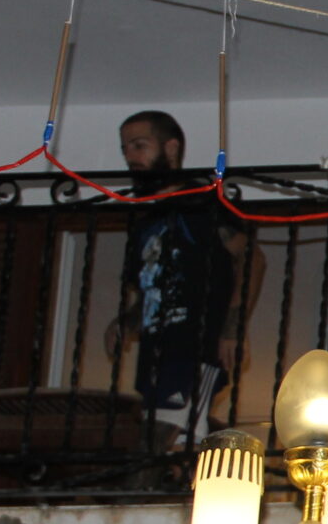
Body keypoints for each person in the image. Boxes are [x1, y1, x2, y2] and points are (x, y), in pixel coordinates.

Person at [105, 111, 245, 447]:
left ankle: (138, 496)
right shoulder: (146, 220)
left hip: (194, 346)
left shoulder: (201, 201)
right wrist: (124, 322)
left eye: (140, 146)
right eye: (125, 149)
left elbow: (249, 258)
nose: (130, 157)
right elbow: (151, 292)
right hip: (156, 352)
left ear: (170, 148)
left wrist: (231, 328)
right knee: (177, 442)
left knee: (162, 439)